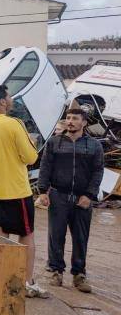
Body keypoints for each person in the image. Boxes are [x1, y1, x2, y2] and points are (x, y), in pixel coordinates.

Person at [0, 84, 48, 298]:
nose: (12, 99)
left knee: (1, 232)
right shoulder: (14, 124)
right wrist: (31, 143)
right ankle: (27, 282)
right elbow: (31, 158)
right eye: (9, 96)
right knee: (26, 235)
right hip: (16, 190)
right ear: (3, 102)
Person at [37, 108, 104, 293]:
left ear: (84, 123)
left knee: (81, 237)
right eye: (68, 118)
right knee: (55, 235)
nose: (70, 121)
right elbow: (45, 167)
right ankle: (56, 271)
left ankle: (79, 274)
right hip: (58, 195)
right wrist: (43, 191)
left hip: (82, 198)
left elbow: (98, 171)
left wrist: (89, 195)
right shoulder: (54, 143)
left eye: (75, 118)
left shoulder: (94, 146)